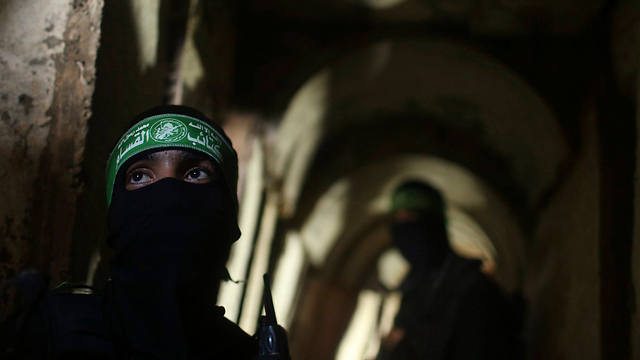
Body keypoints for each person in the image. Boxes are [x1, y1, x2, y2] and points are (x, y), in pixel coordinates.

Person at [0, 105, 258, 359]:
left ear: (227, 214)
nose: (168, 197)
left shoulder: (249, 354)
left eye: (196, 173)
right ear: (115, 215)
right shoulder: (43, 337)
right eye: (139, 177)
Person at [376, 181, 522, 360]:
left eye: (412, 216)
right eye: (397, 220)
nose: (404, 229)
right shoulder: (412, 289)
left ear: (434, 223)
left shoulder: (476, 290)